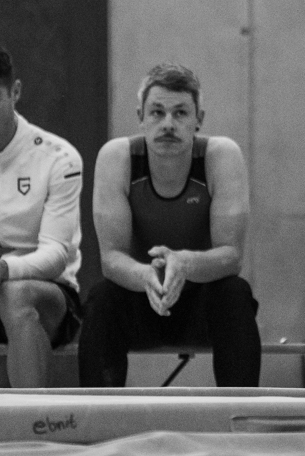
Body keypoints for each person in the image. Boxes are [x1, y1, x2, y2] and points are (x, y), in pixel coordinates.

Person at [78, 62, 261, 387]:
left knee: (235, 293)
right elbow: (111, 259)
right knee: (101, 298)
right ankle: (98, 411)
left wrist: (184, 263)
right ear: (140, 116)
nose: (168, 124)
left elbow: (231, 256)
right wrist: (145, 275)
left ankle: (240, 410)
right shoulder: (117, 157)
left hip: (200, 307)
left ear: (198, 119)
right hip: (140, 298)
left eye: (180, 113)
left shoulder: (221, 156)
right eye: (157, 112)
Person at [0, 48, 83, 386]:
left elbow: (55, 255)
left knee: (15, 294)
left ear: (15, 92)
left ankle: (32, 418)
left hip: (49, 295)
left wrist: (4, 269)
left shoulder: (58, 158)